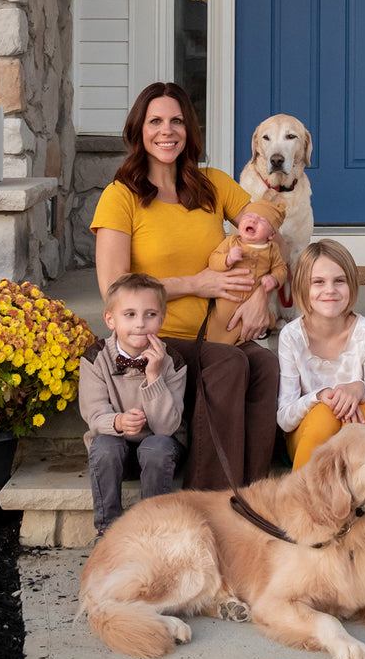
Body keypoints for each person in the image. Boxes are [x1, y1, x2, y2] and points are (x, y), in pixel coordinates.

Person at [91, 81, 279, 490]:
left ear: (189, 129)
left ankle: (255, 491)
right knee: (230, 365)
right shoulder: (120, 196)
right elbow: (115, 288)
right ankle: (208, 496)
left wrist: (263, 293)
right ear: (139, 130)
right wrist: (198, 282)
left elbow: (266, 231)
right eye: (155, 121)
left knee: (264, 364)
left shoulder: (211, 184)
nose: (167, 131)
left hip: (214, 331)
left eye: (176, 121)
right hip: (157, 340)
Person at [78, 273, 186, 535]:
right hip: (115, 453)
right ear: (110, 319)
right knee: (104, 445)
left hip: (160, 455)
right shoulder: (96, 358)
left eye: (150, 314)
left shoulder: (172, 361)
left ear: (162, 318)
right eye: (129, 314)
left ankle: (151, 531)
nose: (140, 324)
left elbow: (165, 427)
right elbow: (94, 412)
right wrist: (117, 421)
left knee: (157, 446)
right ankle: (108, 532)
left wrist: (153, 376)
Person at [277, 240, 365, 470]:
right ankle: (303, 497)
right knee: (325, 413)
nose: (330, 289)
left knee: (360, 407)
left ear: (351, 285)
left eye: (339, 281)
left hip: (358, 443)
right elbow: (284, 419)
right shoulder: (291, 336)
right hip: (309, 440)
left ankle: (360, 497)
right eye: (318, 282)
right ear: (303, 287)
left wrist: (360, 389)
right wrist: (319, 396)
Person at [205, 199, 288, 345]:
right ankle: (217, 345)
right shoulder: (231, 243)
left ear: (271, 234)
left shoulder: (272, 250)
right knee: (221, 322)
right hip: (229, 300)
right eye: (248, 216)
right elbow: (213, 260)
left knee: (259, 322)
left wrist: (274, 279)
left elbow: (281, 268)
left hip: (253, 301)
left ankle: (244, 340)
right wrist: (227, 259)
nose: (253, 220)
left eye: (261, 220)